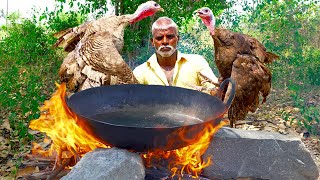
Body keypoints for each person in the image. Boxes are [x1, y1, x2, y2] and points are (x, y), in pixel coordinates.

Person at [133, 16, 219, 94]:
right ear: (152, 42)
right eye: (159, 38)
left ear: (178, 39)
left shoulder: (197, 62)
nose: (165, 42)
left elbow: (214, 90)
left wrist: (217, 90)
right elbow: (132, 99)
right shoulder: (140, 72)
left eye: (170, 36)